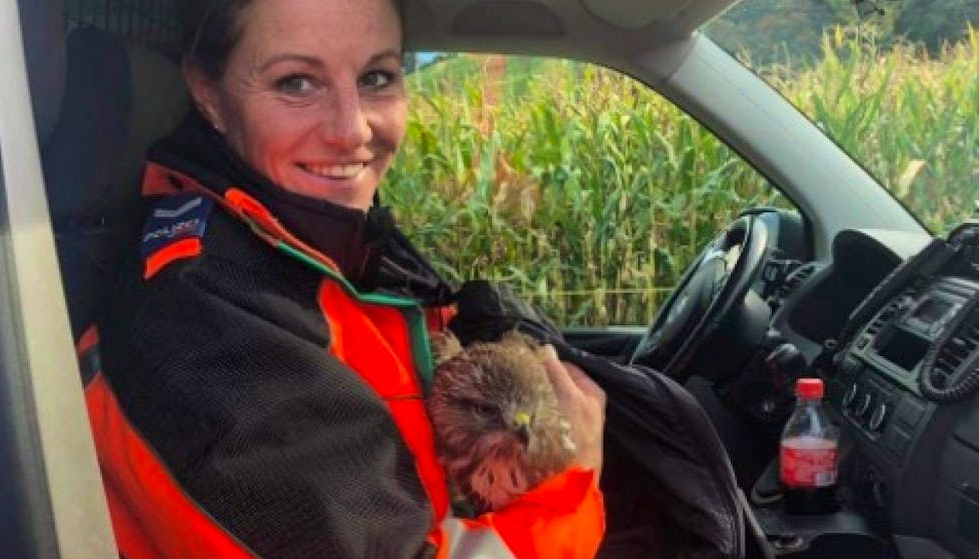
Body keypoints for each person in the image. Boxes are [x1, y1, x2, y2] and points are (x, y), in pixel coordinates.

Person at [85, 0, 607, 557]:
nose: (352, 129)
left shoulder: (316, 243)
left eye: (376, 77)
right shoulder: (201, 322)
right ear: (209, 93)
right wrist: (569, 483)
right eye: (296, 83)